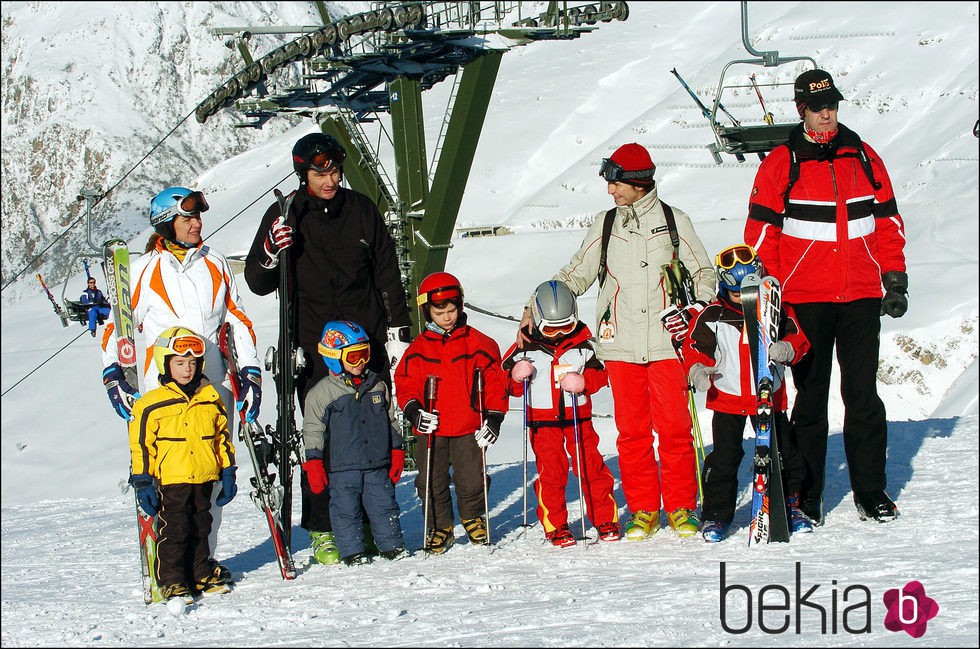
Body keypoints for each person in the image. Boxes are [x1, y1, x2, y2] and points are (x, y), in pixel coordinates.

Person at [518, 143, 715, 540]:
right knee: (632, 432)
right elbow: (576, 274)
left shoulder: (675, 221)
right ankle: (643, 508)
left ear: (637, 182)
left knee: (675, 430)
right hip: (619, 346)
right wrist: (533, 307)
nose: (610, 190)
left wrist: (694, 311)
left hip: (666, 347)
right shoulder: (606, 225)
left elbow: (704, 274)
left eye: (615, 183)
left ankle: (680, 505)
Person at [744, 69, 908, 524]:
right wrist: (770, 299)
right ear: (801, 110)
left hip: (860, 295)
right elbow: (760, 238)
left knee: (863, 396)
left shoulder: (864, 156)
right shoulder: (782, 162)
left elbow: (888, 223)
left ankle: (871, 491)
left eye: (831, 104)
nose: (826, 113)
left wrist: (894, 279)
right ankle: (806, 493)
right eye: (817, 107)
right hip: (805, 299)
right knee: (810, 399)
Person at [244, 132, 412, 564]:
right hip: (314, 346)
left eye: (335, 171)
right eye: (321, 172)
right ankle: (324, 527)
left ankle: (373, 523)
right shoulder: (286, 214)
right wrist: (269, 250)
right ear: (304, 174)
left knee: (373, 433)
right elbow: (258, 282)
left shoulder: (360, 210)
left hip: (365, 341)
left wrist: (397, 331)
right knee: (321, 438)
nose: (331, 179)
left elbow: (387, 271)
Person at [102, 186, 261, 575]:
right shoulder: (142, 270)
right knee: (168, 481)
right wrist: (113, 374)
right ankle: (169, 562)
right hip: (163, 391)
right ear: (166, 222)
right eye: (187, 218)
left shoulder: (215, 263)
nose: (197, 223)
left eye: (197, 216)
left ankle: (203, 558)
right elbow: (115, 325)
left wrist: (251, 370)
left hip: (212, 386)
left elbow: (237, 318)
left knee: (210, 479)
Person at [681, 244, 812, 542]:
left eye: (749, 291)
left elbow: (799, 338)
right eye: (738, 294)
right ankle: (716, 515)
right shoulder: (713, 314)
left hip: (768, 396)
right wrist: (698, 369)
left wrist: (789, 348)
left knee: (783, 454)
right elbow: (694, 347)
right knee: (724, 459)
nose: (745, 299)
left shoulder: (777, 309)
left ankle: (790, 504)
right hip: (728, 399)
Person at [394, 271, 507, 554]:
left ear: (461, 306)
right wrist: (414, 410)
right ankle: (439, 525)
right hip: (432, 427)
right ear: (426, 310)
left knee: (471, 477)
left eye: (452, 309)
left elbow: (495, 382)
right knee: (430, 479)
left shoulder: (480, 343)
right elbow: (405, 382)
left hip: (468, 425)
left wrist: (493, 417)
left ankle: (472, 517)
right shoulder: (418, 349)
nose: (447, 316)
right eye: (439, 310)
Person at [502, 280, 620, 547]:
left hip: (579, 420)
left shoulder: (583, 345)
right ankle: (556, 524)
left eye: (565, 327)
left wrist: (584, 382)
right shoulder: (525, 347)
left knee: (591, 467)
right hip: (543, 424)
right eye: (551, 328)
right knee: (552, 473)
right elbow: (504, 382)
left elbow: (601, 374)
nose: (557, 334)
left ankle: (604, 518)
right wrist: (515, 376)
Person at [128, 326, 238, 602]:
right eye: (179, 363)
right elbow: (141, 447)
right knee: (175, 530)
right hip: (172, 480)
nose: (187, 370)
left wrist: (228, 471)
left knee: (202, 526)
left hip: (203, 476)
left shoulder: (210, 398)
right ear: (165, 364)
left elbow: (221, 439)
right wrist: (143, 481)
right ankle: (173, 580)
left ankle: (200, 572)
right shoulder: (151, 404)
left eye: (192, 363)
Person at [300, 320, 407, 566]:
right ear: (334, 358)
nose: (361, 363)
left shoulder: (377, 386)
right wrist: (314, 463)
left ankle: (392, 546)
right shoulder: (322, 393)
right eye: (354, 357)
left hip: (376, 464)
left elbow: (390, 419)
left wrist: (397, 449)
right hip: (342, 468)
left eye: (365, 355)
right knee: (345, 511)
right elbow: (313, 429)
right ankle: (352, 551)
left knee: (384, 506)